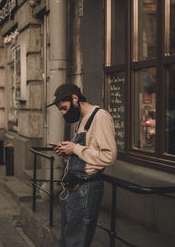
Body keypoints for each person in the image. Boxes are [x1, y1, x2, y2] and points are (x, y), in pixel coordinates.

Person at [46, 84, 117, 247]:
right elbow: (85, 152)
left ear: (75, 99)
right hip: (72, 187)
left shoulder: (100, 117)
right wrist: (68, 151)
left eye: (64, 108)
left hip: (86, 189)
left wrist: (75, 148)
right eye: (61, 110)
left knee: (76, 240)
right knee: (66, 236)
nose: (63, 113)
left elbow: (109, 156)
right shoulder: (82, 120)